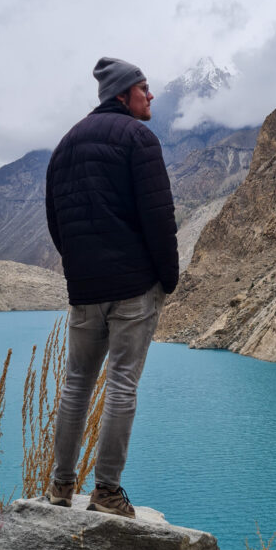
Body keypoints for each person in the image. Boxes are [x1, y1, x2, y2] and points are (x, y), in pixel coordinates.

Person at [45, 57, 179, 518]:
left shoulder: (65, 144)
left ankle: (61, 488)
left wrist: (78, 269)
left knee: (75, 385)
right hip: (133, 288)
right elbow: (159, 216)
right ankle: (107, 491)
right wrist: (168, 276)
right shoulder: (139, 138)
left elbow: (55, 221)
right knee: (122, 382)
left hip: (84, 289)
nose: (151, 96)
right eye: (144, 88)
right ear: (123, 95)